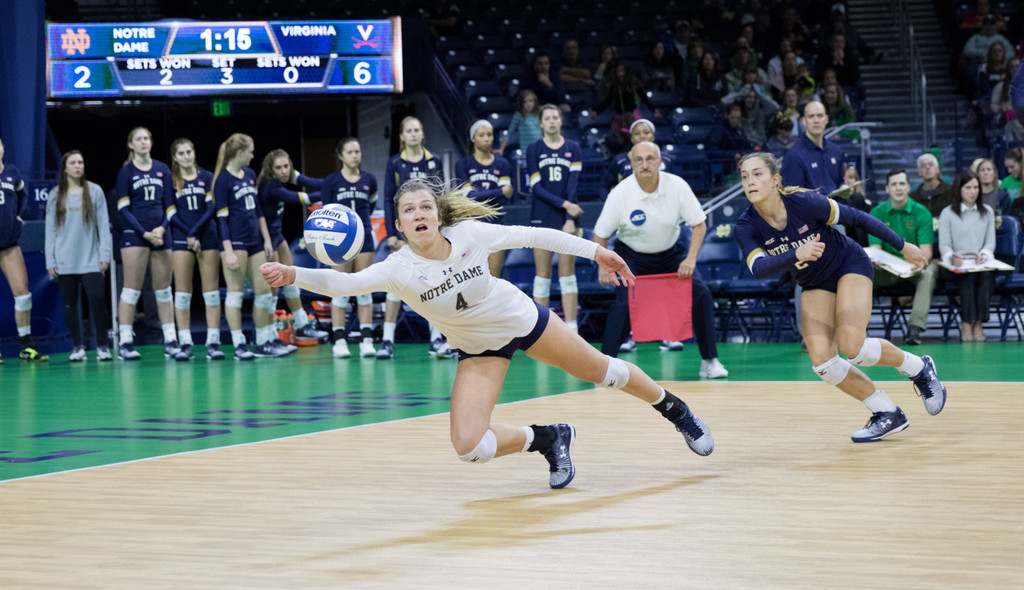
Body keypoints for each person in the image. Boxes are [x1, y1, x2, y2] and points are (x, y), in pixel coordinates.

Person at [259, 177, 715, 489]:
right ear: (398, 225)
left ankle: (674, 409)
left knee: (604, 373)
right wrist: (293, 273)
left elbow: (537, 236)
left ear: (438, 215)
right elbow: (344, 283)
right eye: (408, 211)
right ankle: (550, 438)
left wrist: (596, 253)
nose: (419, 214)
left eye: (425, 207)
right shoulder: (398, 268)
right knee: (470, 447)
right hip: (478, 350)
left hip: (523, 321)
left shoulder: (470, 235)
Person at [734, 152, 947, 443]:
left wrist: (903, 245)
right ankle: (886, 412)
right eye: (745, 176)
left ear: (775, 180)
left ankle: (919, 368)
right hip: (814, 282)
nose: (750, 181)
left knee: (853, 348)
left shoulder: (804, 203)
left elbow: (857, 217)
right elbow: (758, 268)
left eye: (757, 174)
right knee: (824, 363)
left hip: (848, 264)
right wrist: (796, 253)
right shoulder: (745, 225)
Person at [593, 142, 729, 379]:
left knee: (701, 294)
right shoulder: (621, 193)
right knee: (623, 303)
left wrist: (691, 259)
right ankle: (605, 368)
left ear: (660, 161)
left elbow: (699, 224)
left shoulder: (677, 186)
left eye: (650, 159)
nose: (645, 164)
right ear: (632, 163)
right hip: (632, 257)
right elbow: (600, 234)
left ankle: (710, 361)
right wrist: (603, 266)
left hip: (671, 255)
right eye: (639, 160)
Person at [382, 116, 453, 360]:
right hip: (404, 235)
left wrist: (440, 229)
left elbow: (441, 197)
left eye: (417, 130)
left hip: (429, 233)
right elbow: (388, 198)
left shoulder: (433, 161)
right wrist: (392, 234)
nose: (413, 134)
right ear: (402, 136)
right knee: (395, 284)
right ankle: (387, 340)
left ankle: (437, 338)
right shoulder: (394, 163)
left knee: (434, 282)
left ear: (422, 134)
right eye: (409, 130)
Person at [213, 133, 287, 360]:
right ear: (239, 152)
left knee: (264, 293)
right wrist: (227, 252)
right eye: (250, 151)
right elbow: (221, 219)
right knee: (235, 294)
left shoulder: (249, 174)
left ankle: (264, 342)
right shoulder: (222, 180)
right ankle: (239, 344)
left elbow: (257, 210)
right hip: (235, 243)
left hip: (255, 241)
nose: (253, 156)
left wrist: (267, 239)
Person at [114, 127, 177, 360]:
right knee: (131, 290)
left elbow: (170, 206)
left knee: (164, 290)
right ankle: (125, 342)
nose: (143, 142)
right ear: (131, 144)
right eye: (138, 139)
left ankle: (171, 340)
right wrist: (144, 233)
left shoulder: (162, 169)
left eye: (147, 138)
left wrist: (161, 229)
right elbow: (123, 208)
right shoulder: (126, 172)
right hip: (135, 234)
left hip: (161, 234)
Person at [255, 148, 328, 347]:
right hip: (264, 239)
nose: (284, 171)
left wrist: (334, 183)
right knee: (272, 289)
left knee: (291, 278)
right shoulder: (270, 186)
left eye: (286, 166)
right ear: (271, 169)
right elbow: (301, 198)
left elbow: (313, 182)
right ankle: (270, 335)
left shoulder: (287, 175)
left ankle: (302, 325)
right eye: (279, 168)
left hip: (277, 235)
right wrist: (330, 193)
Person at [45, 150, 112, 362]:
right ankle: (77, 347)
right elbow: (50, 230)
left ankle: (103, 346)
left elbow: (103, 225)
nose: (77, 166)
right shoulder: (55, 194)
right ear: (65, 168)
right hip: (65, 260)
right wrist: (50, 260)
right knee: (69, 304)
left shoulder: (95, 191)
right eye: (73, 163)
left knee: (98, 301)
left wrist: (104, 254)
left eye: (80, 162)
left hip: (91, 259)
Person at [319, 137, 380, 359]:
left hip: (364, 238)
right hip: (339, 239)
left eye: (358, 151)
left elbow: (370, 206)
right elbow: (325, 210)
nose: (355, 155)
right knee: (339, 290)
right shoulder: (331, 181)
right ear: (341, 155)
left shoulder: (370, 179)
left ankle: (366, 340)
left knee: (364, 289)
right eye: (350, 152)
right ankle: (339, 341)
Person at [526, 104, 584, 333]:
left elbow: (572, 185)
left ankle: (572, 330)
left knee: (567, 275)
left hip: (567, 219)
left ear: (561, 121)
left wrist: (569, 217)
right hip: (541, 216)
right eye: (547, 118)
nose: (551, 121)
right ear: (541, 123)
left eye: (555, 118)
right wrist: (566, 205)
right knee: (542, 276)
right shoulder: (534, 149)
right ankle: (542, 332)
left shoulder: (573, 147)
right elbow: (537, 188)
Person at [166, 138, 224, 361]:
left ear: (194, 153)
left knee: (211, 293)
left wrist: (195, 233)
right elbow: (170, 213)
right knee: (182, 293)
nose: (186, 156)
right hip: (182, 239)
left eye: (189, 151)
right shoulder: (172, 180)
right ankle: (185, 343)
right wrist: (189, 235)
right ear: (175, 157)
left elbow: (211, 208)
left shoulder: (207, 177)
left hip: (206, 237)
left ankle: (213, 342)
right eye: (181, 153)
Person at [870, 169, 939, 345]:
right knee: (861, 269)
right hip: (887, 270)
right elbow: (875, 250)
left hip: (913, 268)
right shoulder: (876, 213)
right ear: (887, 189)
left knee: (930, 270)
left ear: (908, 187)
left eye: (902, 184)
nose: (898, 188)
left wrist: (919, 263)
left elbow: (926, 252)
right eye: (894, 184)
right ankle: (857, 329)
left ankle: (914, 328)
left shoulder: (921, 212)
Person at [1, 137, 48, 363]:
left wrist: (18, 216)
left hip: (9, 244)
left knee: (23, 295)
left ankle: (26, 346)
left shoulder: (12, 172)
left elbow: (23, 196)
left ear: (3, 148)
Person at [938, 171, 997, 342]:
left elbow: (990, 243)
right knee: (967, 277)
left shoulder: (987, 212)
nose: (973, 191)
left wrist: (984, 255)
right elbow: (944, 245)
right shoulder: (948, 213)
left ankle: (978, 323)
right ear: (959, 189)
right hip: (955, 265)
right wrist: (952, 257)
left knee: (986, 275)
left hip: (980, 263)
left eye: (976, 187)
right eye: (968, 187)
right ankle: (966, 323)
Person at [455, 120, 513, 278]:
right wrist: (499, 191)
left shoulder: (502, 163)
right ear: (472, 138)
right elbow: (468, 197)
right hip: (471, 226)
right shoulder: (463, 164)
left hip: (496, 225)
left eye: (489, 134)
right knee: (473, 279)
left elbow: (505, 197)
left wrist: (480, 192)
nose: (487, 138)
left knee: (494, 279)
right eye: (481, 135)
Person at [780, 101, 845, 197]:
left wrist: (844, 188)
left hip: (837, 204)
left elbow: (841, 181)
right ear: (804, 121)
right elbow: (793, 197)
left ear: (826, 119)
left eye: (820, 116)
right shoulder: (793, 155)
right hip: (812, 206)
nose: (816, 120)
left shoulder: (835, 150)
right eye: (811, 116)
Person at [600, 119, 674, 201]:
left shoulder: (666, 160)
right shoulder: (620, 161)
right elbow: (603, 187)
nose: (642, 136)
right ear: (632, 138)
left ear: (653, 136)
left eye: (646, 132)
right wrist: (611, 203)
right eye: (637, 133)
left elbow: (675, 186)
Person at [496, 89, 542, 156]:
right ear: (521, 104)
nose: (528, 104)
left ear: (535, 102)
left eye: (530, 101)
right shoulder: (519, 115)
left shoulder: (539, 114)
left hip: (540, 149)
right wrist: (501, 149)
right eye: (525, 102)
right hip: (526, 151)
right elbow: (509, 133)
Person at [909, 153, 954, 217]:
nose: (927, 167)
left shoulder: (951, 191)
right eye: (923, 165)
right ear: (919, 172)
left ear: (937, 169)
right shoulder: (913, 198)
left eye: (931, 164)